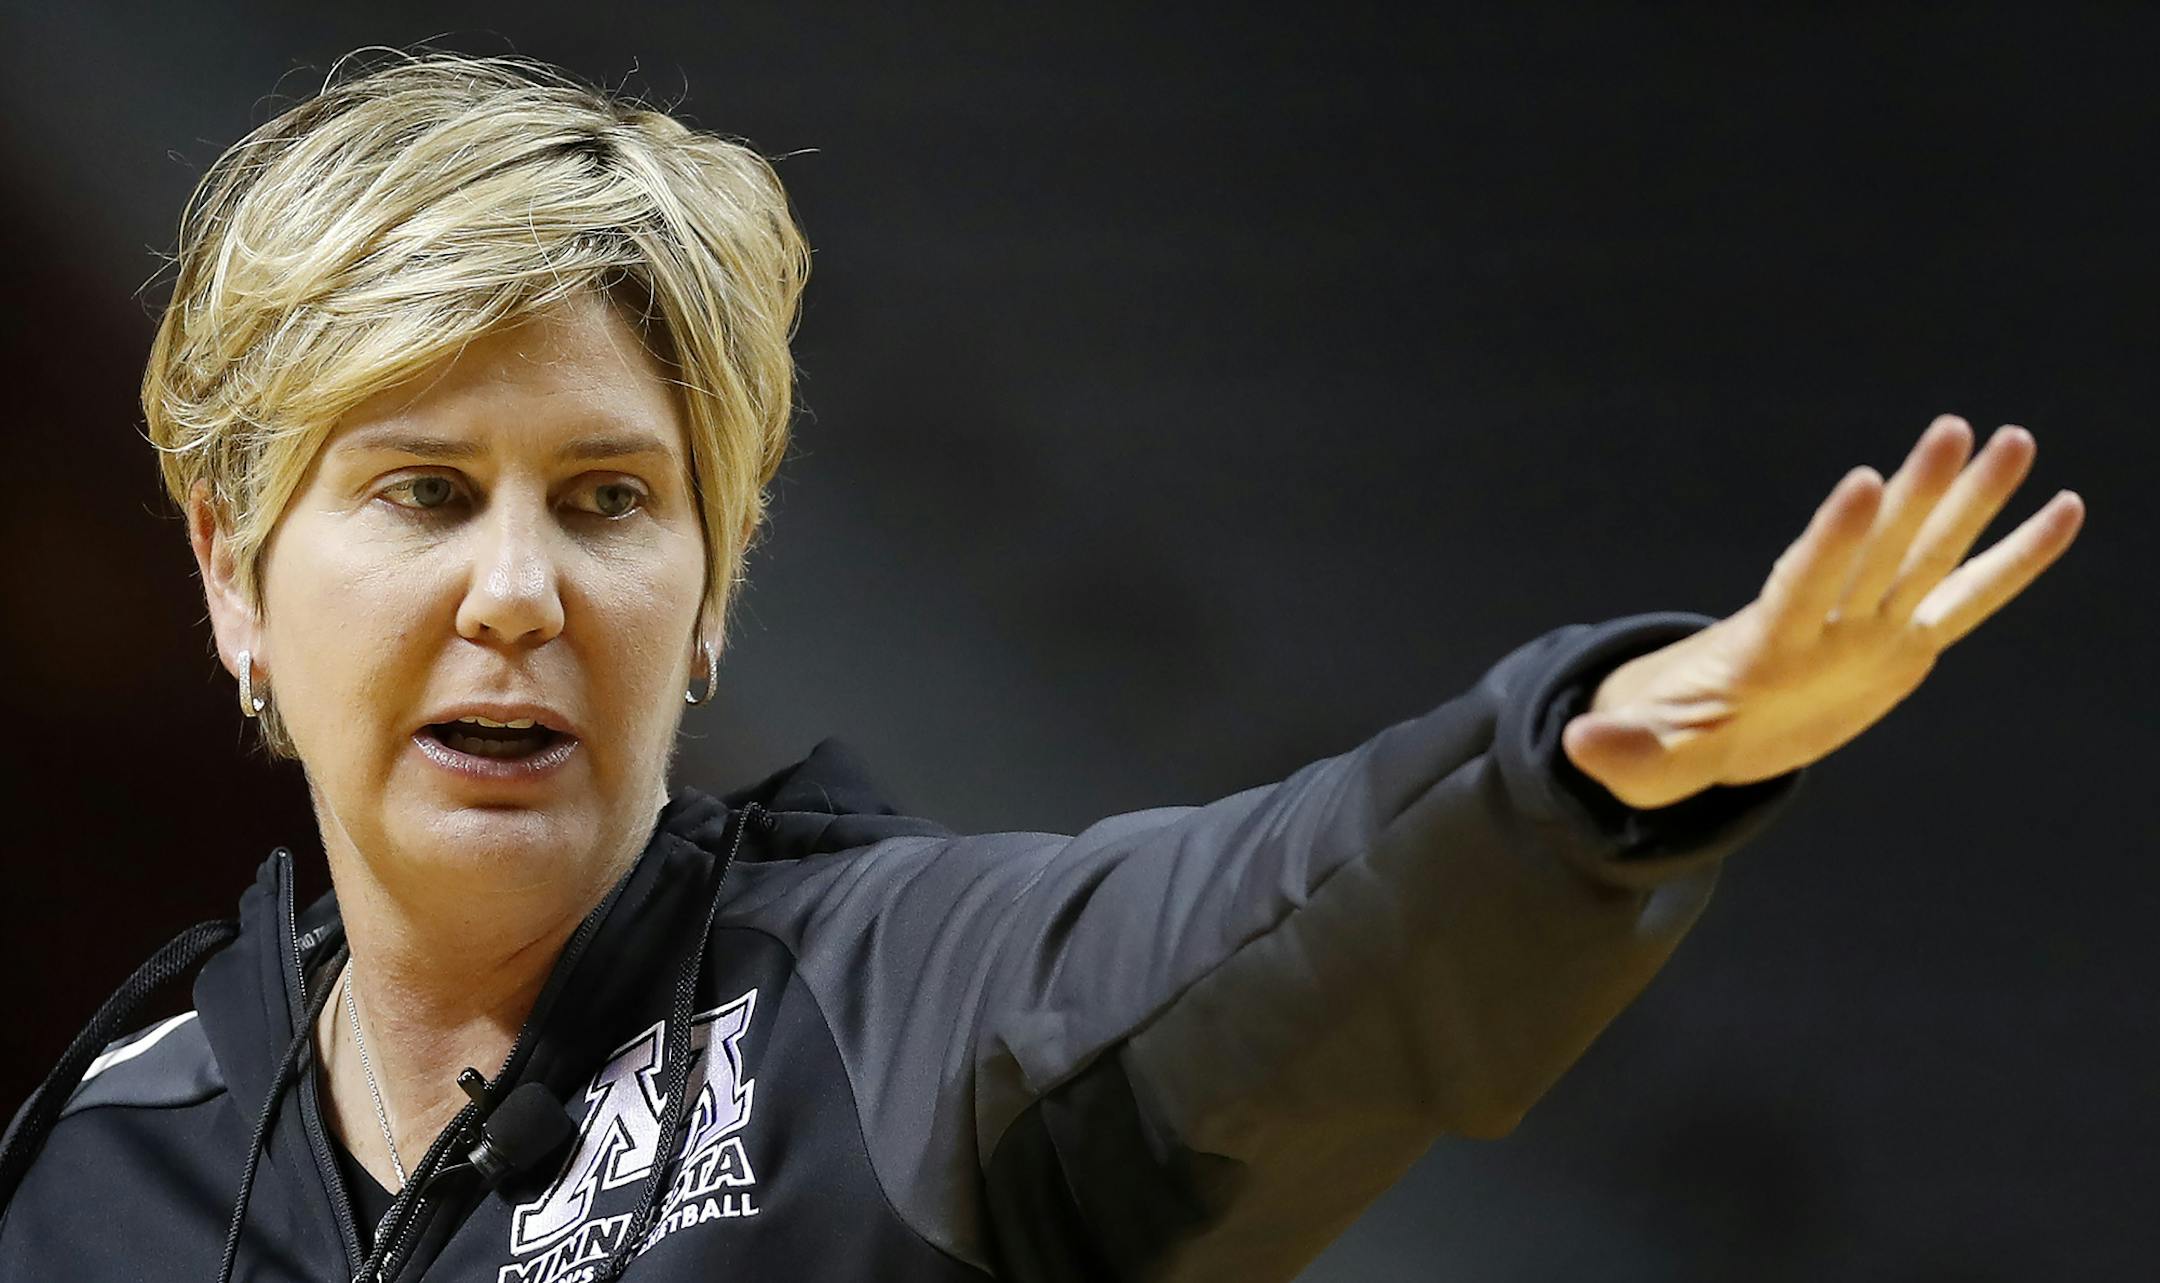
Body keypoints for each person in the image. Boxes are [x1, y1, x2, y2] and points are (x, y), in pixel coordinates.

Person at [0, 47, 2084, 1283]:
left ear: (713, 591)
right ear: (230, 577)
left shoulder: (897, 1002)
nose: (523, 588)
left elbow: (1246, 933)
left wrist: (1580, 778)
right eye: (427, 493)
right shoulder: (98, 1164)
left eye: (615, 501)